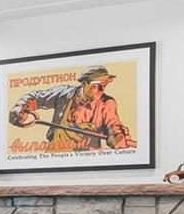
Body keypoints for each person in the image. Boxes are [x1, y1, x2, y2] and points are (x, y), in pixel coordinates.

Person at [8, 65, 136, 152]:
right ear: (85, 83)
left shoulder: (107, 103)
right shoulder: (64, 93)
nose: (102, 90)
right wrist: (20, 108)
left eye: (105, 85)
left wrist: (116, 137)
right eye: (98, 86)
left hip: (87, 158)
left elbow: (113, 125)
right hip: (55, 154)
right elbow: (36, 98)